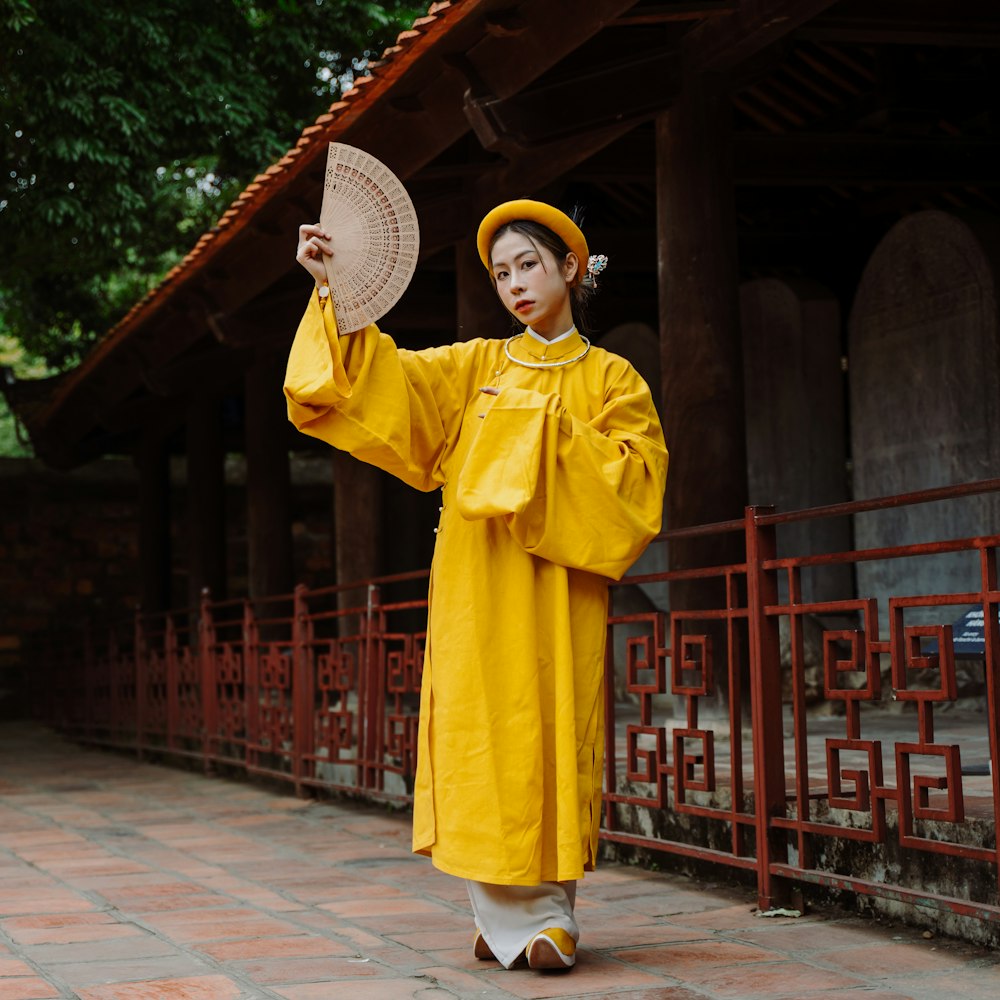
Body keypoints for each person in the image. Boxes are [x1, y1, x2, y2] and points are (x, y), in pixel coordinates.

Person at [284, 199, 668, 971]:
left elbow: (635, 485)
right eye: (500, 273)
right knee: (483, 735)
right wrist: (335, 290)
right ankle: (517, 920)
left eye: (528, 265)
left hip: (560, 592)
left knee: (551, 733)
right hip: (475, 585)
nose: (515, 285)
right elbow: (383, 382)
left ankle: (541, 912)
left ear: (570, 267)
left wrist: (531, 429)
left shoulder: (612, 379)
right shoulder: (476, 367)